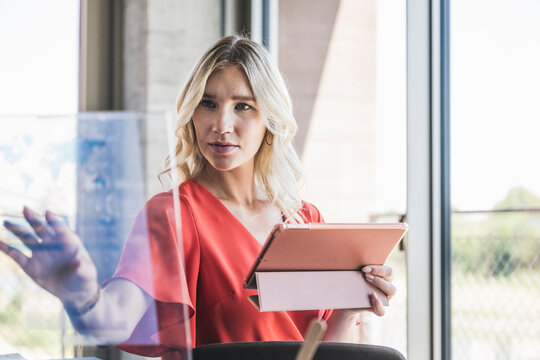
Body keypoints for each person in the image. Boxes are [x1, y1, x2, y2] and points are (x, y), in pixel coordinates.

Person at [0, 35, 396, 360]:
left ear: (269, 121)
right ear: (191, 113)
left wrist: (350, 309)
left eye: (243, 106)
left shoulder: (305, 218)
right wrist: (84, 295)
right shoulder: (172, 215)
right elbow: (115, 317)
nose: (222, 125)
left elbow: (317, 351)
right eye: (208, 103)